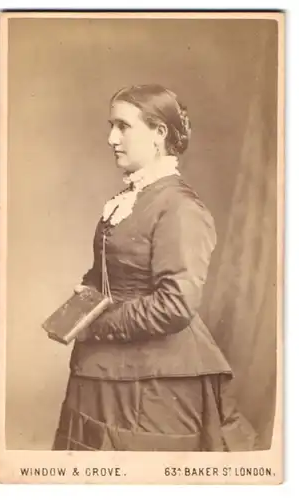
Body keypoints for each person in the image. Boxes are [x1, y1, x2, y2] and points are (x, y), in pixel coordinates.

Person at [53, 84, 256, 451]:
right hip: (101, 371)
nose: (111, 138)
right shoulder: (128, 199)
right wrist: (84, 297)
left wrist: (95, 324)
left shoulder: (180, 207)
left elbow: (175, 306)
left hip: (154, 380)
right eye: (110, 126)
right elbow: (109, 271)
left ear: (159, 133)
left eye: (123, 126)